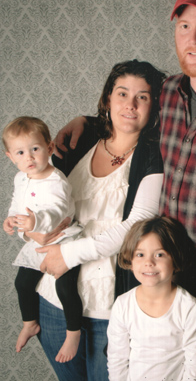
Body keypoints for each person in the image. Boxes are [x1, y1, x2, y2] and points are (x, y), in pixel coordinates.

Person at [50, 0, 196, 380]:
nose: (193, 38)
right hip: (166, 269)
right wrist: (88, 122)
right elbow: (127, 112)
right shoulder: (167, 93)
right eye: (184, 26)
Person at [29, 60, 166, 381]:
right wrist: (34, 231)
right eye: (122, 93)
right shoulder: (79, 141)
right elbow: (40, 194)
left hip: (109, 308)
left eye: (143, 97)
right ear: (107, 99)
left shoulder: (155, 154)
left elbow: (138, 225)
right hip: (54, 300)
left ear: (155, 105)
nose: (130, 105)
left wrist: (68, 255)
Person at [2, 116, 83, 363]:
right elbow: (18, 204)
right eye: (21, 152)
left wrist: (35, 222)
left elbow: (57, 209)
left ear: (48, 148)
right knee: (23, 283)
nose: (29, 157)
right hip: (38, 239)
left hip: (63, 237)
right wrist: (10, 219)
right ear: (10, 157)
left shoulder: (55, 179)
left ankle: (73, 332)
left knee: (64, 286)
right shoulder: (20, 178)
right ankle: (30, 323)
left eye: (35, 149)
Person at [107, 216, 196, 381]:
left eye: (159, 254)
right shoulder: (123, 305)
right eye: (140, 254)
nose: (148, 262)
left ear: (174, 259)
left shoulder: (189, 309)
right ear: (130, 260)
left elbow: (195, 367)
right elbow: (117, 360)